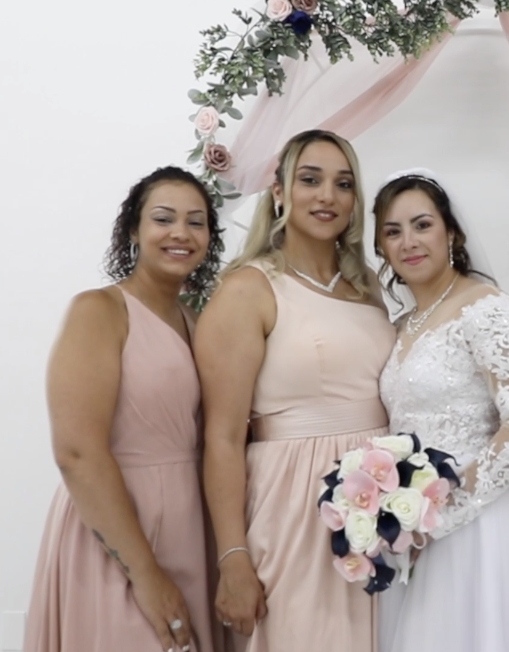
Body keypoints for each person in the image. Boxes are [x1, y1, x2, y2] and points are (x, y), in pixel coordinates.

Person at [193, 130, 394, 652]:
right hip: (293, 505)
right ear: (279, 191)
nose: (327, 196)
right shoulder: (248, 289)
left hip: (378, 502)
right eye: (310, 180)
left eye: (342, 184)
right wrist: (232, 554)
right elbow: (221, 437)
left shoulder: (368, 287)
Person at [24, 166, 225, 652]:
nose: (181, 233)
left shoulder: (198, 320)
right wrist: (147, 575)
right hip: (119, 527)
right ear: (133, 230)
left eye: (196, 222)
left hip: (189, 525)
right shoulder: (99, 311)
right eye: (164, 218)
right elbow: (76, 452)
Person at [372, 169, 509, 652]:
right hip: (412, 527)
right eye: (392, 232)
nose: (409, 242)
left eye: (422, 225)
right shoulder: (401, 324)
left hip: (479, 526)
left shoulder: (488, 310)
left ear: (451, 233)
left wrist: (442, 512)